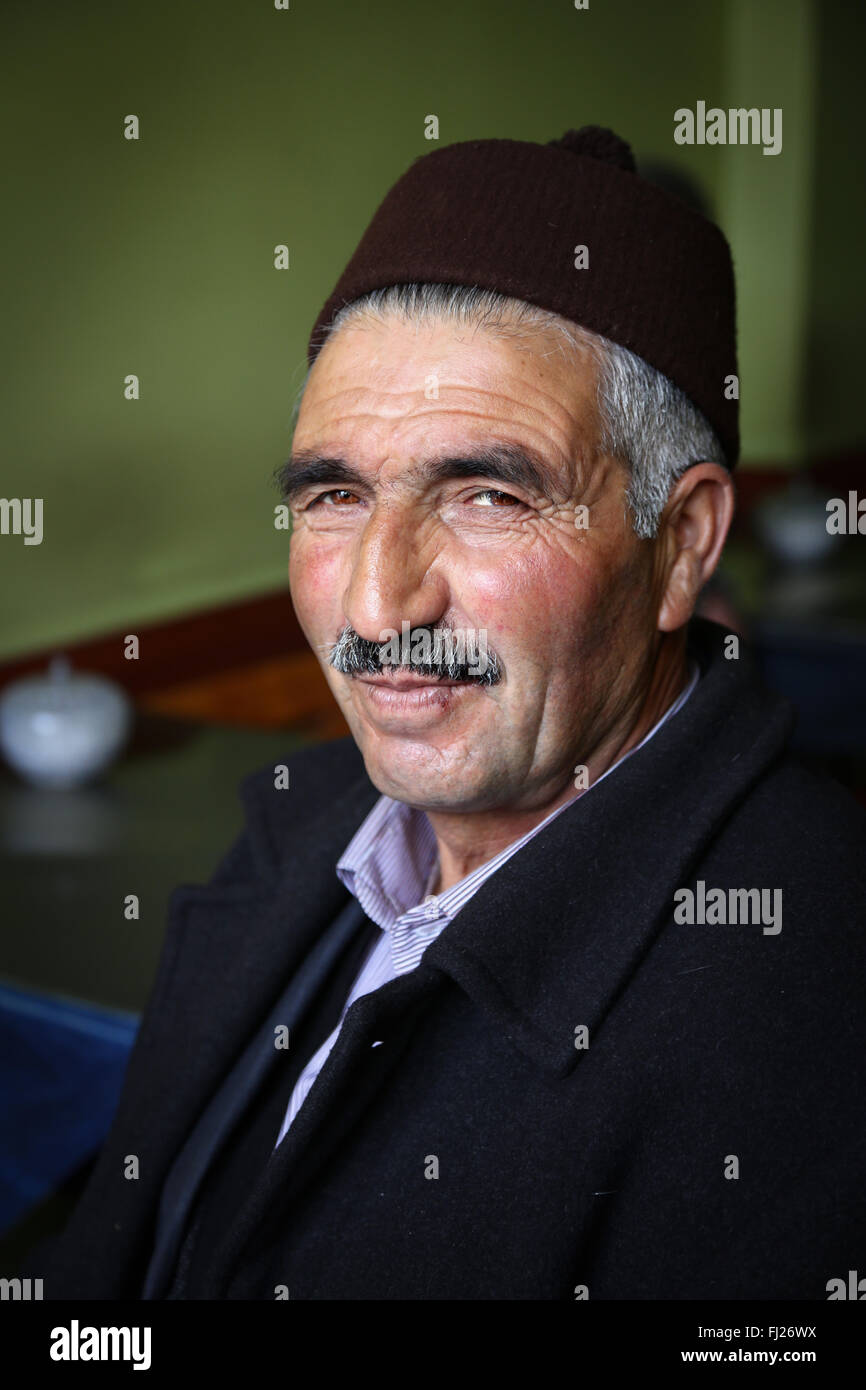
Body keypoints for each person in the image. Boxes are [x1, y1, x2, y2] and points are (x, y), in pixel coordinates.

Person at [35, 126, 866, 1300]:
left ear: (680, 545)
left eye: (485, 494)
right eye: (334, 495)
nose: (376, 603)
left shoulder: (808, 1011)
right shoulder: (308, 822)